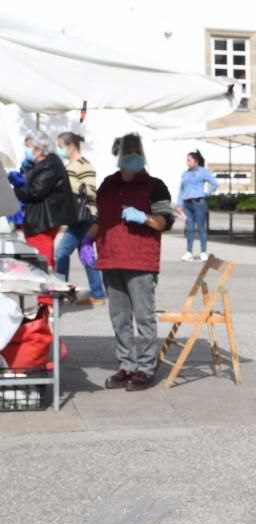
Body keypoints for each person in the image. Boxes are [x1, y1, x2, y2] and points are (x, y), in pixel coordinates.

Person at [81, 133, 174, 391]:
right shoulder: (107, 185)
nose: (131, 154)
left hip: (140, 261)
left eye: (136, 150)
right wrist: (86, 242)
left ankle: (145, 367)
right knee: (119, 318)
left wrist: (143, 217)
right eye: (127, 150)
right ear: (118, 154)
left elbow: (165, 221)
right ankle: (126, 365)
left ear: (143, 154)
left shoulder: (155, 186)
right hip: (110, 259)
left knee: (144, 317)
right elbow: (100, 219)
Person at [53, 132, 106, 306]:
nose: (59, 149)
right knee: (85, 254)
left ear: (71, 146)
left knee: (61, 253)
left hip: (84, 216)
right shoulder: (70, 165)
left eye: (61, 146)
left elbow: (90, 191)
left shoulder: (84, 165)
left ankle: (62, 292)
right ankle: (97, 293)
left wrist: (67, 183)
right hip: (75, 217)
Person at [13, 131, 74, 269]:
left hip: (41, 221)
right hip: (39, 219)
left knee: (41, 261)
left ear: (39, 149)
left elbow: (35, 192)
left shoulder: (49, 164)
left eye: (28, 147)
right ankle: (45, 287)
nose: (26, 150)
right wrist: (25, 173)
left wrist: (17, 187)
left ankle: (44, 289)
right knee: (41, 259)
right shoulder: (42, 164)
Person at [176, 149, 218, 262]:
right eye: (187, 160)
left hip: (199, 203)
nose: (187, 162)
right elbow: (181, 189)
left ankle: (203, 252)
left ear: (196, 161)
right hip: (187, 204)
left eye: (189, 160)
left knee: (201, 227)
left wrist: (206, 193)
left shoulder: (203, 172)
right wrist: (179, 204)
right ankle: (189, 251)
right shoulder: (185, 173)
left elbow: (215, 183)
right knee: (189, 228)